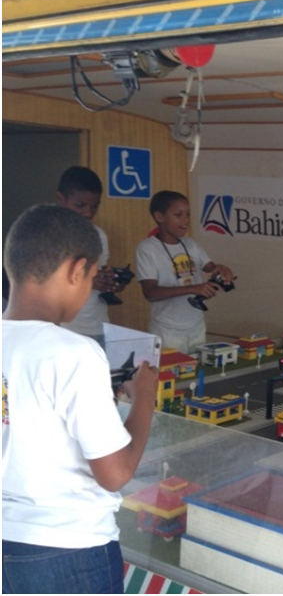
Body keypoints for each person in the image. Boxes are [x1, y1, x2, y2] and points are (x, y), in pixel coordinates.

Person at [2, 204, 158, 594]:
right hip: (68, 548)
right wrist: (144, 399)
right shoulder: (73, 352)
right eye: (91, 277)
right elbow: (115, 474)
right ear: (77, 270)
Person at [135, 190, 234, 354]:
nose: (185, 220)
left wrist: (223, 270)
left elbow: (212, 268)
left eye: (188, 214)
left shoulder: (190, 244)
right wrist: (193, 288)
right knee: (171, 370)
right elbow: (150, 293)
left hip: (196, 326)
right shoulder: (148, 248)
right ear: (159, 217)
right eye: (178, 215)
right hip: (167, 329)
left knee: (198, 368)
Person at [56, 166, 125, 344]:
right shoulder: (46, 234)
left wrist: (110, 282)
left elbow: (98, 273)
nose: (88, 213)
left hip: (97, 325)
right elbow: (39, 284)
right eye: (80, 205)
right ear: (61, 199)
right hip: (62, 328)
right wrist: (89, 280)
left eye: (95, 206)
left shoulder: (99, 235)